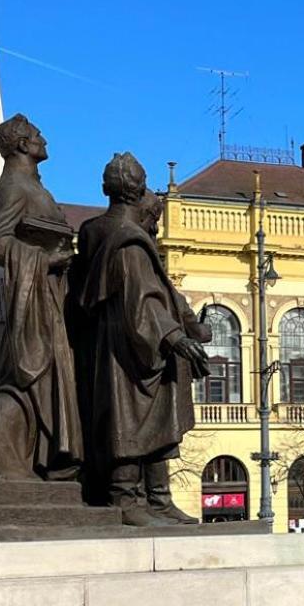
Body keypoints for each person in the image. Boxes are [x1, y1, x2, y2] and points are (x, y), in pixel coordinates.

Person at [71, 153, 209, 526]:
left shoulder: (92, 230)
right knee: (134, 417)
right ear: (138, 190)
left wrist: (188, 324)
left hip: (107, 342)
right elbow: (142, 300)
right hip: (133, 346)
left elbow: (155, 292)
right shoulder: (128, 240)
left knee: (145, 417)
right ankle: (128, 499)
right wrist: (176, 338)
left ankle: (158, 498)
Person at [0, 116, 82, 482]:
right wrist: (46, 259)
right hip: (34, 296)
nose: (44, 138)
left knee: (40, 376)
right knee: (30, 371)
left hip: (49, 293)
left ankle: (17, 459)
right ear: (22, 144)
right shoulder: (14, 185)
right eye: (37, 134)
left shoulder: (30, 184)